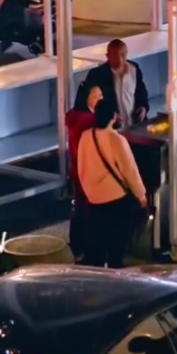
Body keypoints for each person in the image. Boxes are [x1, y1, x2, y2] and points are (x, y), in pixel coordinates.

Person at [75, 96, 148, 267]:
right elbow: (130, 171)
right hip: (116, 199)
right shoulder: (117, 139)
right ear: (114, 116)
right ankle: (115, 274)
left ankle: (99, 275)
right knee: (117, 242)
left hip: (93, 198)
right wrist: (141, 195)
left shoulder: (86, 136)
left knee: (98, 240)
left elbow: (81, 166)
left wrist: (89, 191)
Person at [65, 77, 104, 259]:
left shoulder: (75, 116)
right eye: (96, 96)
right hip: (87, 172)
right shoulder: (88, 120)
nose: (100, 99)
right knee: (86, 210)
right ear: (87, 99)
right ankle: (86, 247)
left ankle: (77, 245)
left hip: (77, 169)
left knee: (79, 207)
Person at [81, 39, 148, 129]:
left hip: (135, 126)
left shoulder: (134, 69)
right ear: (108, 56)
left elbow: (141, 91)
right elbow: (90, 103)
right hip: (110, 130)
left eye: (123, 56)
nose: (120, 60)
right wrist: (109, 116)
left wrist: (143, 107)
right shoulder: (98, 75)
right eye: (116, 57)